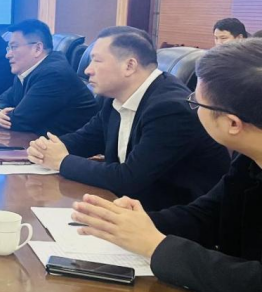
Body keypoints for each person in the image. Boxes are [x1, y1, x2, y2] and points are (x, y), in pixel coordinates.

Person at [71, 39, 262, 292]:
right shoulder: (248, 158)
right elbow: (207, 215)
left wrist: (157, 246)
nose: (192, 107)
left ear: (233, 124)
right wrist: (132, 224)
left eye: (197, 103)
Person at [27, 27, 229, 210]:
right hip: (129, 206)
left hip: (171, 220)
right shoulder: (116, 98)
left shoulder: (170, 109)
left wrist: (62, 161)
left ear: (129, 66)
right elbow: (86, 139)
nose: (88, 70)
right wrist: (45, 148)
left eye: (97, 61)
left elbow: (129, 178)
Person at [0, 19, 97, 136]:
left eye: (14, 47)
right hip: (42, 140)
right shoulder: (28, 71)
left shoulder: (54, 75)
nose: (8, 55)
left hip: (70, 145)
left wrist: (2, 116)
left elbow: (19, 121)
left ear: (37, 49)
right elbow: (1, 100)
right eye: (8, 48)